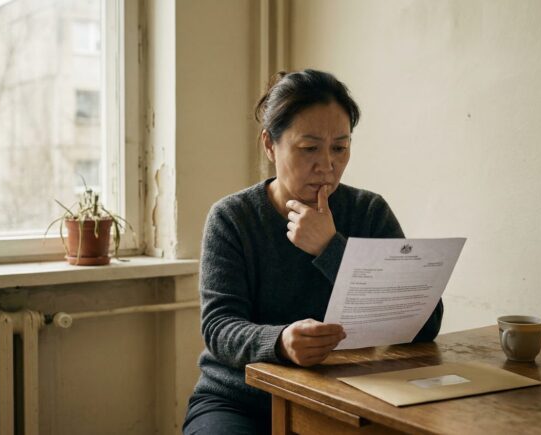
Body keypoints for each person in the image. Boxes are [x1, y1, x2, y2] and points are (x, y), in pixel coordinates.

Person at [182, 69, 443, 435]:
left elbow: (425, 325)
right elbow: (219, 327)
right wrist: (281, 341)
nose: (327, 165)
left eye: (340, 147)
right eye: (309, 148)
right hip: (239, 399)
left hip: (346, 397)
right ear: (270, 145)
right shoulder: (232, 218)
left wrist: (330, 247)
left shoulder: (369, 212)